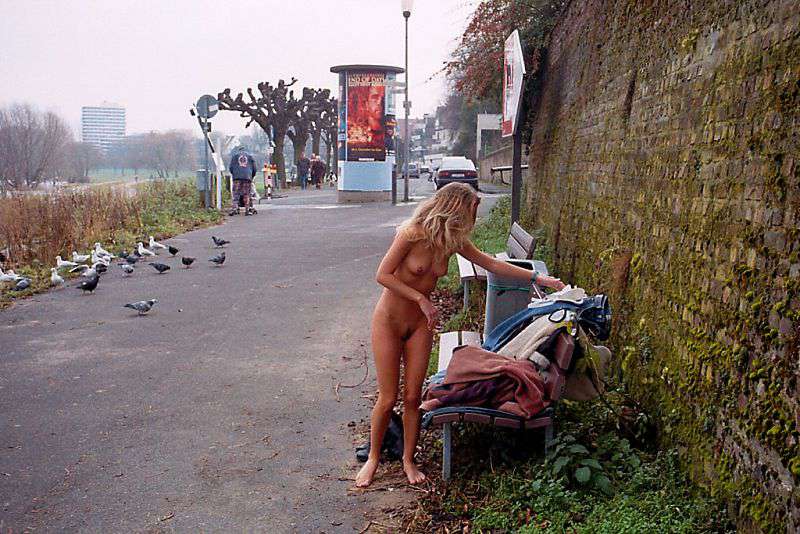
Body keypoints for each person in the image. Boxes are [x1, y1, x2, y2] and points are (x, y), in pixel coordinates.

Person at [355, 183, 566, 487]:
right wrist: (420, 298)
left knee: (413, 396)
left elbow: (492, 263)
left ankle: (408, 460)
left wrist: (538, 277)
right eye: (470, 212)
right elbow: (382, 275)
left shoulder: (452, 242)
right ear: (454, 209)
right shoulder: (411, 233)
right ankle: (373, 458)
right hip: (388, 322)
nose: (472, 220)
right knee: (388, 398)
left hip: (419, 326)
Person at [228, 146, 257, 216]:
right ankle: (247, 209)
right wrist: (251, 176)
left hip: (237, 178)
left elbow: (231, 167)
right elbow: (254, 168)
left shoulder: (234, 156)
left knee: (236, 193)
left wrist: (234, 174)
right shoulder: (250, 156)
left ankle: (235, 209)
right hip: (247, 177)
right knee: (246, 194)